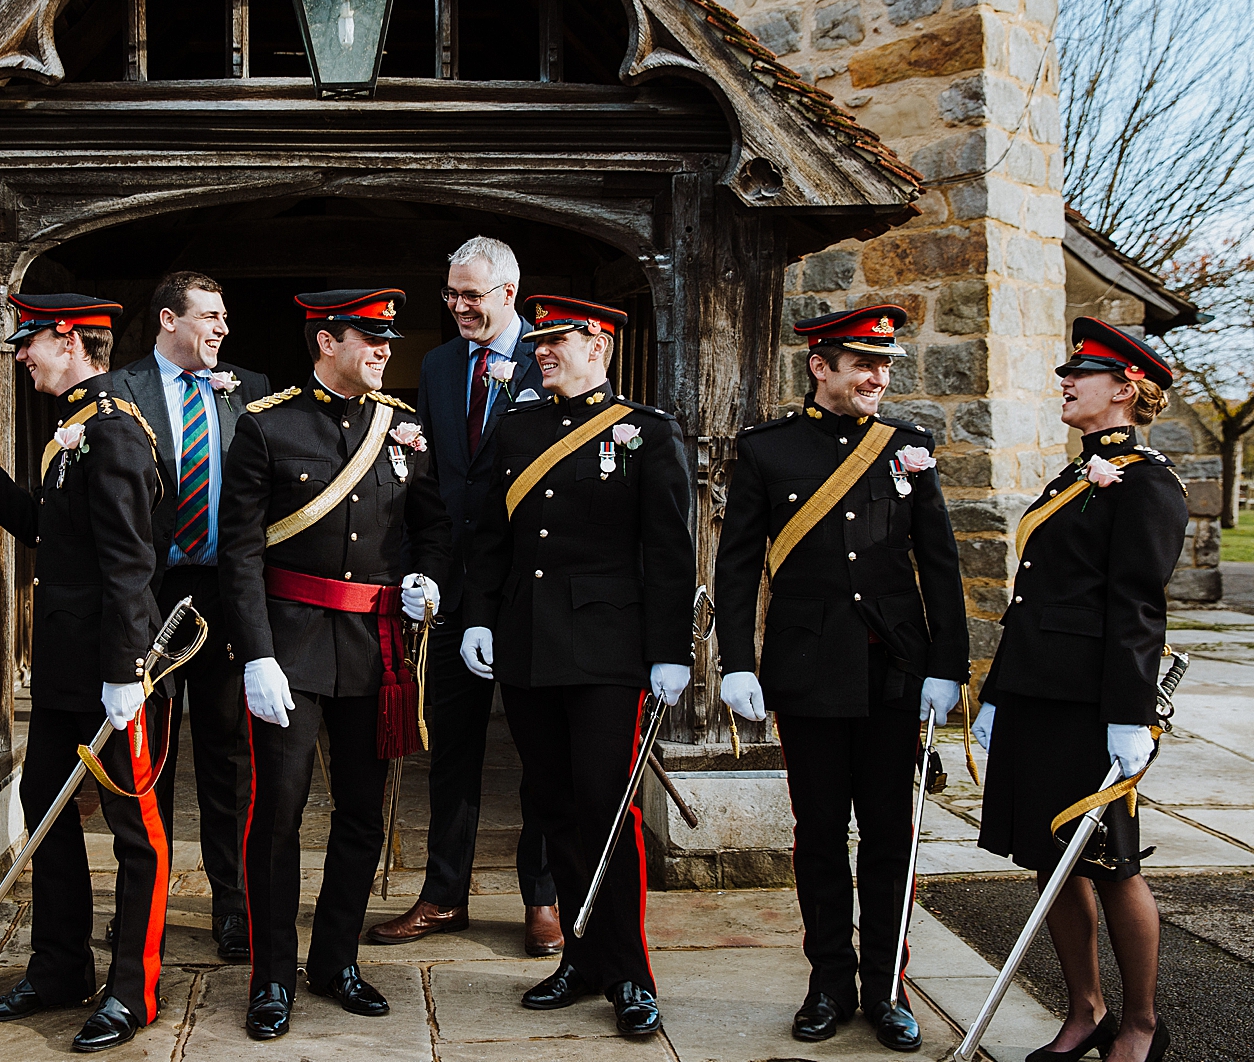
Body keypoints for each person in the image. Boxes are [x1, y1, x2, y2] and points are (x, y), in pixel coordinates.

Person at [0, 293, 168, 1053]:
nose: (21, 356)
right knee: (44, 806)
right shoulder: (74, 430)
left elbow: (130, 562)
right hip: (64, 664)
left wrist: (124, 671)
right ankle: (60, 969)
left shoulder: (115, 431)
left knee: (135, 830)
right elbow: (46, 531)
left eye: (29, 342)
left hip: (115, 671)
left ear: (68, 338)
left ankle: (134, 989)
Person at [712, 304, 968, 1051]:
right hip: (807, 669)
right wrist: (736, 662)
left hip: (894, 668)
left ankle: (887, 988)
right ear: (820, 366)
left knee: (891, 836)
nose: (876, 377)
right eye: (862, 363)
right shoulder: (768, 450)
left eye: (884, 365)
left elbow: (942, 567)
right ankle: (828, 983)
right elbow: (736, 567)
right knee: (819, 834)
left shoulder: (908, 447)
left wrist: (946, 667)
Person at [218, 289, 451, 1040]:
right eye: (369, 338)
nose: (384, 350)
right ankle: (273, 977)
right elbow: (242, 551)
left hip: (374, 649)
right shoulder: (267, 424)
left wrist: (428, 581)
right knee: (278, 815)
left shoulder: (405, 427)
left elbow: (432, 526)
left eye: (388, 340)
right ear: (327, 341)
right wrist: (254, 653)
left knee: (362, 812)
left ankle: (336, 960)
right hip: (288, 646)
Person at [460, 295, 694, 1039]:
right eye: (541, 341)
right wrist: (479, 616)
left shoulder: (646, 433)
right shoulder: (518, 428)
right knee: (552, 805)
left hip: (607, 654)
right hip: (529, 646)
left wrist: (671, 651)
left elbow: (669, 552)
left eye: (558, 340)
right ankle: (583, 959)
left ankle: (630, 972)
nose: (543, 352)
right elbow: (489, 536)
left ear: (600, 344)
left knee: (604, 807)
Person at [972, 318, 1188, 1062]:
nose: (1065, 382)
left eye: (1080, 374)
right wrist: (997, 694)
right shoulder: (1076, 474)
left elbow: (1136, 608)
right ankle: (1085, 1011)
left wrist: (1129, 719)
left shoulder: (1149, 482)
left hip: (1095, 708)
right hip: (1037, 694)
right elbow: (1032, 599)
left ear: (1125, 388)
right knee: (1048, 856)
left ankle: (1139, 1026)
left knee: (1111, 862)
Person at [368, 238, 559, 957]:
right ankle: (444, 894)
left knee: (540, 746)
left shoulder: (550, 358)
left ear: (508, 292)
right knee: (451, 748)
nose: (456, 307)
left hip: (532, 590)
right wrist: (425, 569)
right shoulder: (443, 364)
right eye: (451, 293)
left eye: (470, 295)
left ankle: (541, 896)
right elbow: (439, 482)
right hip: (454, 589)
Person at [109, 271, 271, 961]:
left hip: (224, 595)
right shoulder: (120, 391)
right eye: (209, 315)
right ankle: (140, 909)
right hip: (147, 593)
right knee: (144, 759)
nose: (222, 328)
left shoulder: (252, 390)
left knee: (227, 759)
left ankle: (232, 907)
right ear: (168, 319)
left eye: (226, 316)